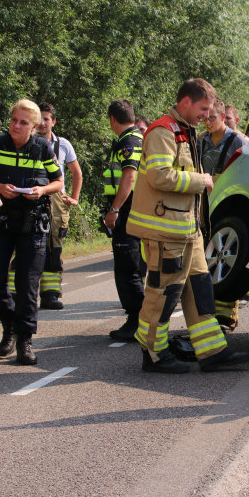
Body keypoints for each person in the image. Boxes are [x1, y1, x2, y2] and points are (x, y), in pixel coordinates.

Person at [127, 78, 249, 374]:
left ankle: (212, 352)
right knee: (162, 294)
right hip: (165, 232)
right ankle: (153, 354)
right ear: (186, 102)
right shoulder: (162, 131)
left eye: (210, 111)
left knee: (199, 290)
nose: (207, 116)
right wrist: (200, 181)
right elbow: (159, 176)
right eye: (203, 108)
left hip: (187, 231)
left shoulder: (186, 131)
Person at [0, 99, 63, 365]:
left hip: (32, 221)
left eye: (23, 122)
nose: (16, 125)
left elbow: (58, 181)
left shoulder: (42, 147)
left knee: (27, 283)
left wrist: (41, 191)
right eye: (14, 120)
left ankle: (25, 341)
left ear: (34, 126)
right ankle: (10, 324)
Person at [103, 100, 147, 342]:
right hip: (132, 211)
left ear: (112, 119)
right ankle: (138, 319)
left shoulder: (128, 140)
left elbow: (129, 178)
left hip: (128, 212)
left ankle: (136, 321)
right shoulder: (135, 137)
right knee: (132, 267)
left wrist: (114, 208)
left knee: (128, 268)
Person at [32, 102, 83, 310]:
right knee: (26, 245)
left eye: (46, 119)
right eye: (39, 118)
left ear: (53, 121)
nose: (42, 123)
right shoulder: (25, 141)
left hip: (55, 199)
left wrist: (74, 197)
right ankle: (17, 294)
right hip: (31, 197)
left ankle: (50, 294)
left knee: (54, 247)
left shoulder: (63, 144)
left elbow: (76, 173)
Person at [202, 98, 246, 331]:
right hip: (206, 205)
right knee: (209, 259)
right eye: (206, 118)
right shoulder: (202, 141)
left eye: (213, 118)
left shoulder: (237, 140)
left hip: (227, 206)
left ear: (222, 117)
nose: (208, 122)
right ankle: (209, 313)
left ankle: (227, 316)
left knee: (225, 257)